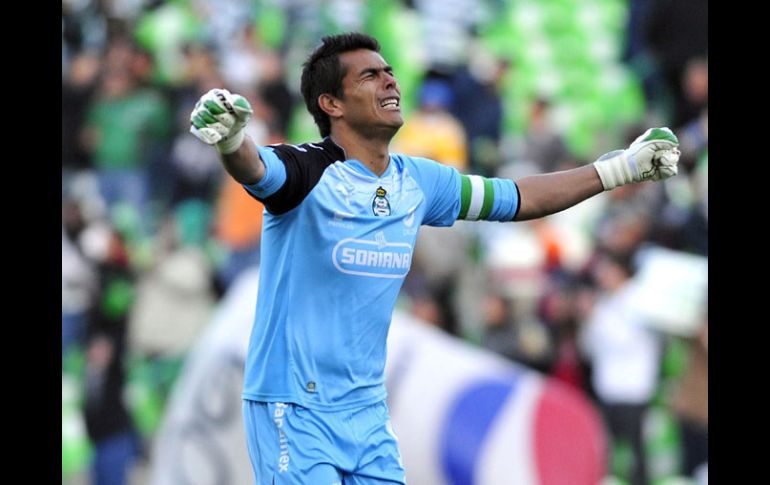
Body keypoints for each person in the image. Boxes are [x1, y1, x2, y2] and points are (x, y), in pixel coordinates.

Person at [188, 32, 680, 484]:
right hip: (293, 407)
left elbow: (519, 197)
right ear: (331, 103)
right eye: (369, 75)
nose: (389, 81)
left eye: (389, 72)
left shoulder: (419, 181)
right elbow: (255, 169)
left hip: (366, 412)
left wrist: (618, 168)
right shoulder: (305, 172)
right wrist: (231, 139)